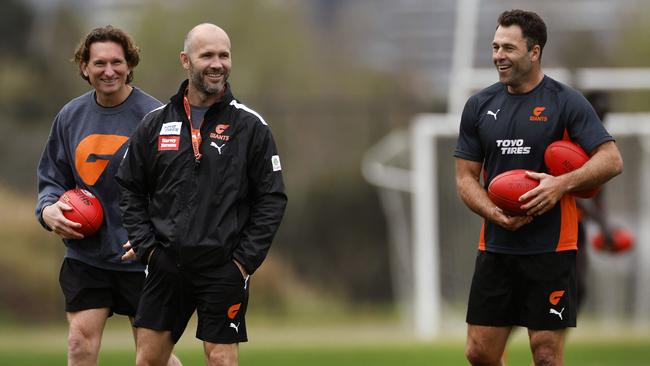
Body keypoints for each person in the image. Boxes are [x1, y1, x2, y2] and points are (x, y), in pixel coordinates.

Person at [454, 10, 623, 366]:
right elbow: (465, 178)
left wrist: (560, 185)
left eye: (509, 48)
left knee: (546, 354)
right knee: (479, 352)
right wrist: (494, 211)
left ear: (534, 52)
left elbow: (611, 159)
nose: (498, 55)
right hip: (497, 247)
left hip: (551, 249)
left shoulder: (566, 102)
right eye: (495, 46)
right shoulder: (479, 106)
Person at [116, 23, 287, 366]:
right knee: (148, 360)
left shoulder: (250, 126)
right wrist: (149, 250)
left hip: (223, 268)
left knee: (221, 359)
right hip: (165, 265)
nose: (217, 63)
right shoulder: (154, 123)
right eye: (206, 54)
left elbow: (271, 199)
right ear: (186, 60)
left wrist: (242, 262)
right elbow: (130, 188)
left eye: (224, 55)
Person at [35, 26, 181, 365]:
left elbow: (178, 188)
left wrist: (156, 235)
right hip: (87, 257)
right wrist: (48, 211)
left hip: (144, 258)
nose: (109, 70)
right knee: (78, 346)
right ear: (85, 67)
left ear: (130, 65)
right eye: (99, 63)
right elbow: (51, 179)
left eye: (117, 62)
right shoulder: (70, 117)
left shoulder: (157, 118)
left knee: (153, 359)